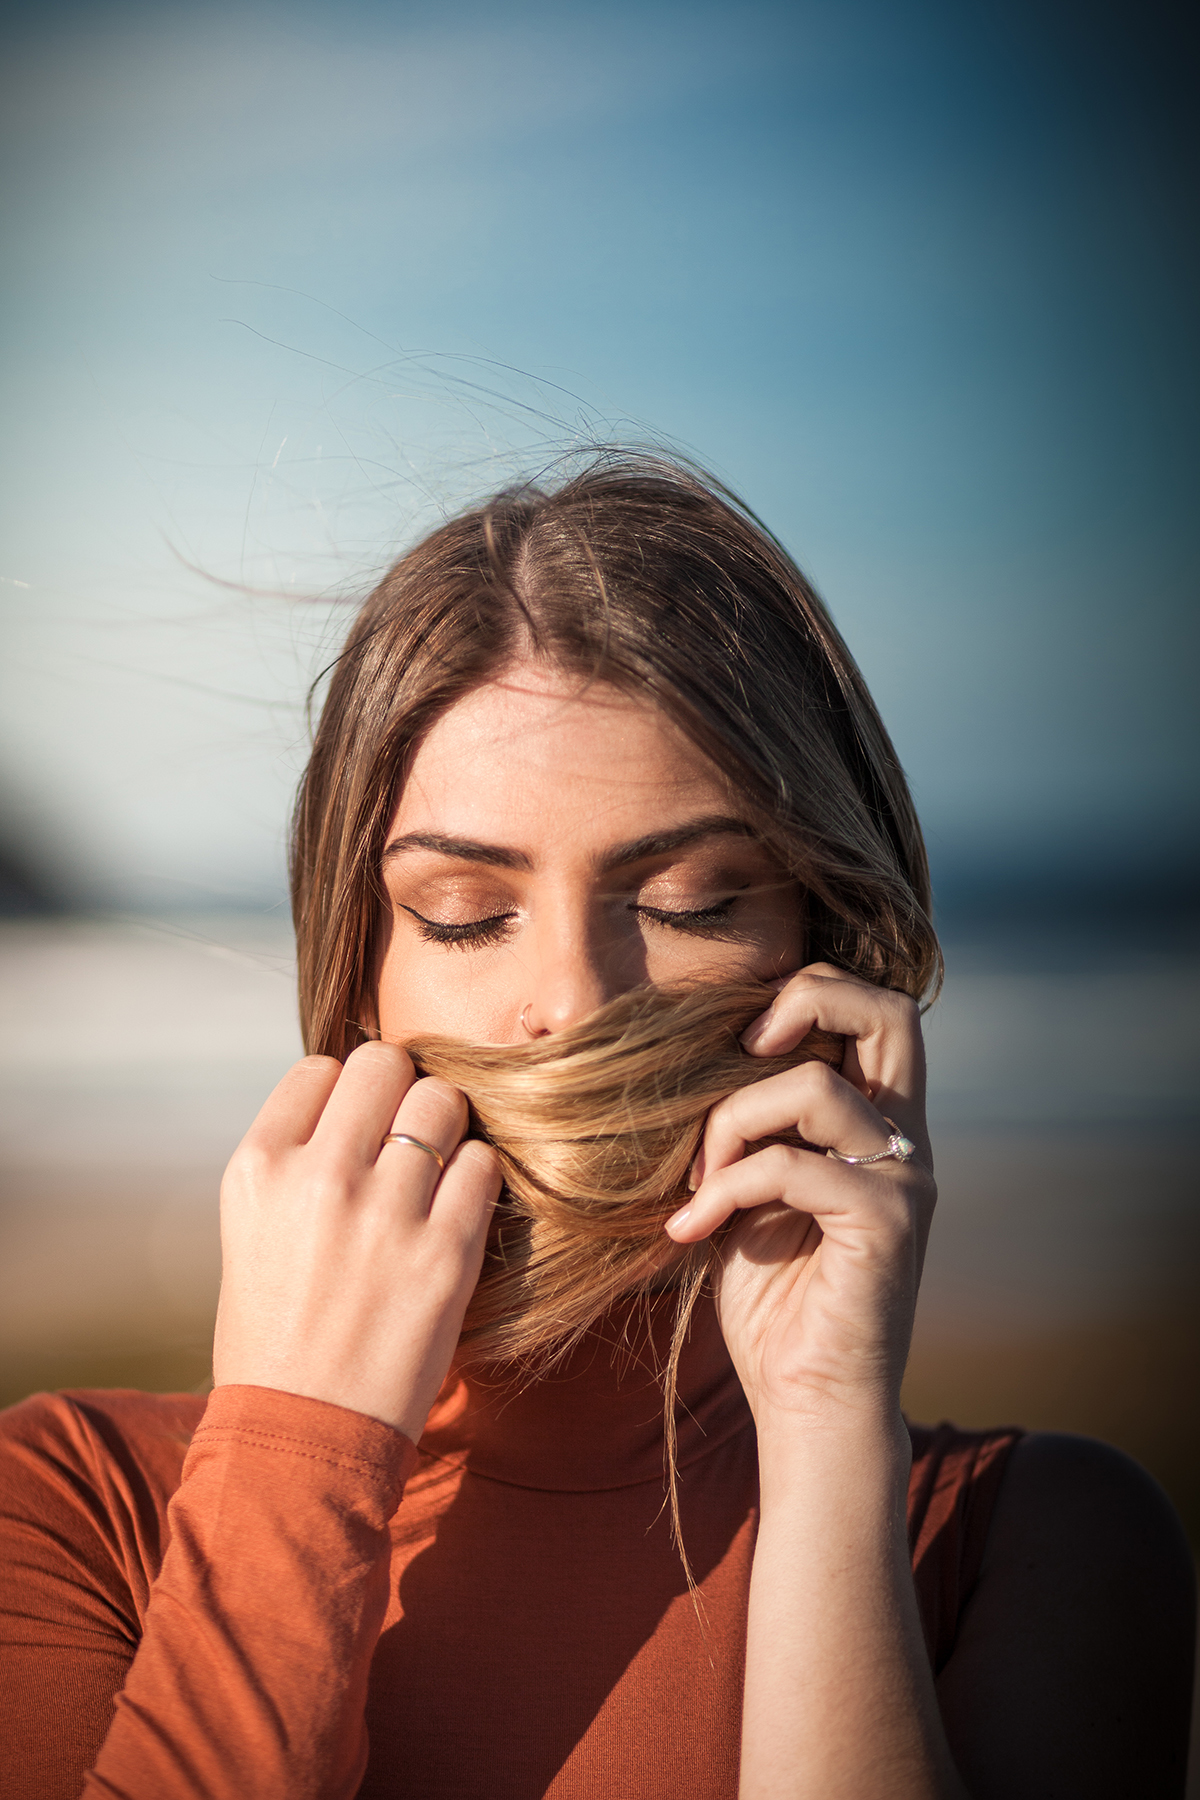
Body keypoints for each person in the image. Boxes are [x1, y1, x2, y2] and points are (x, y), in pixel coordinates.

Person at [0, 454, 1193, 1800]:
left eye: (689, 900)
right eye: (463, 910)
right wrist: (297, 1447)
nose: (567, 1001)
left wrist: (822, 1442)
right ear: (353, 965)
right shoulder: (77, 1507)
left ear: (828, 947)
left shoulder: (1025, 1544)